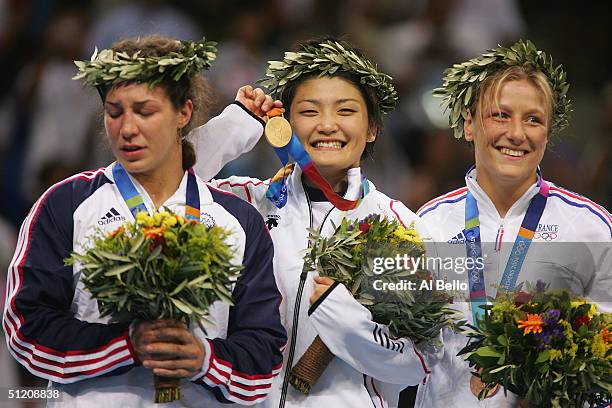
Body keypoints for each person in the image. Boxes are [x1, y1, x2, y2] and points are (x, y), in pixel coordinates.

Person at [2, 35, 286, 407]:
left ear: (183, 113)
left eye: (145, 111)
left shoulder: (239, 220)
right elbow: (26, 329)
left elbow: (263, 361)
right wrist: (126, 344)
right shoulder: (66, 204)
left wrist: (205, 359)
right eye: (114, 111)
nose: (127, 128)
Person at [190, 38, 441, 408]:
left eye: (345, 111)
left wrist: (343, 317)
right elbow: (165, 188)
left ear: (372, 128)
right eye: (309, 111)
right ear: (286, 123)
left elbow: (417, 364)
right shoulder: (246, 203)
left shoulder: (402, 226)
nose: (327, 125)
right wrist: (235, 126)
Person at [415, 39, 611, 407]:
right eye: (500, 115)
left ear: (547, 134)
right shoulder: (428, 224)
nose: (517, 133)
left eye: (533, 119)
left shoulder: (591, 228)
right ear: (469, 124)